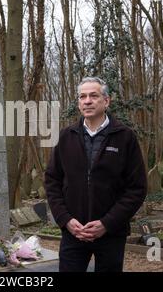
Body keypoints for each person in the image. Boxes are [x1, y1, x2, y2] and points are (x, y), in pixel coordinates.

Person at [44, 77, 147, 272]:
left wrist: (106, 223)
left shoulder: (124, 137)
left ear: (106, 101)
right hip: (73, 233)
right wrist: (65, 220)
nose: (87, 101)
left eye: (93, 95)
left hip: (111, 234)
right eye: (82, 97)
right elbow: (52, 181)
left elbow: (137, 188)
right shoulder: (66, 137)